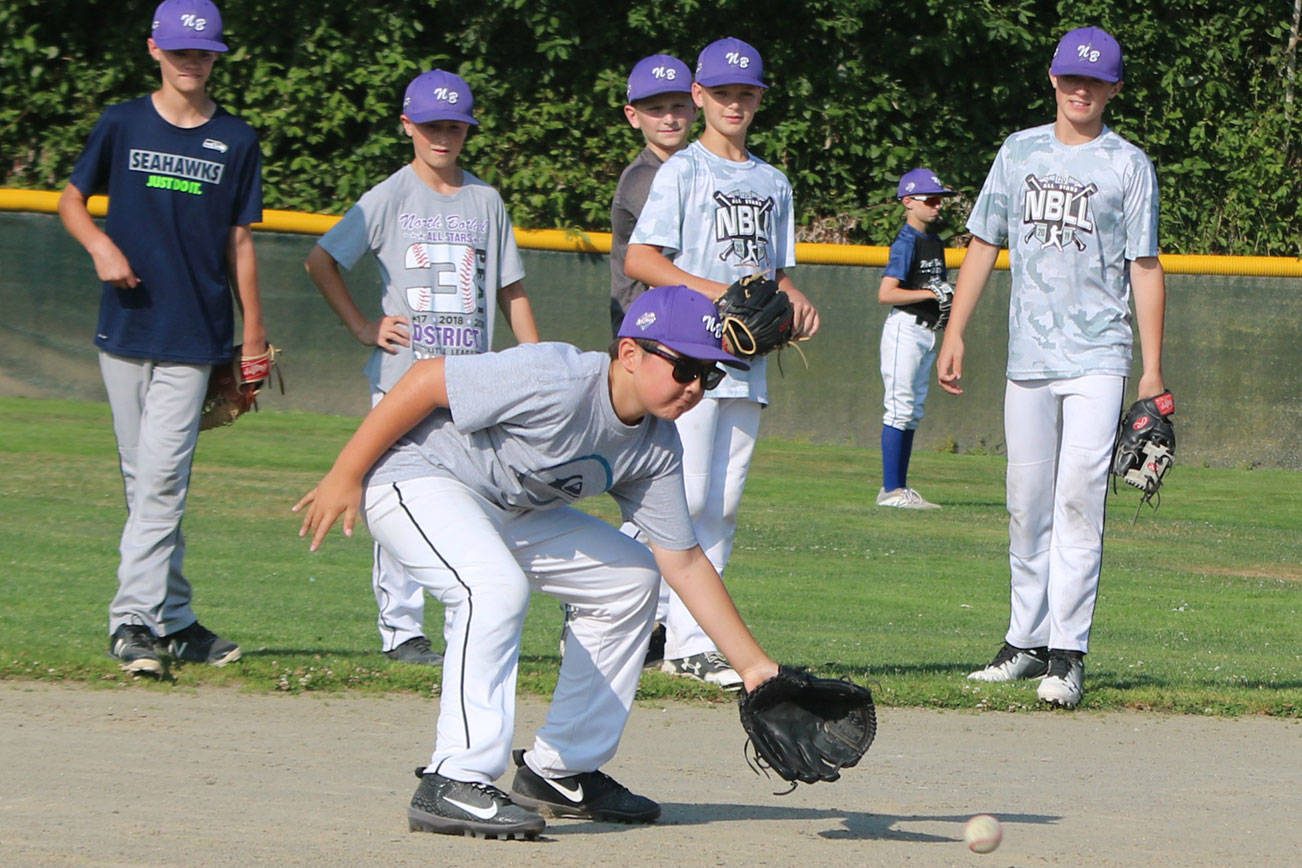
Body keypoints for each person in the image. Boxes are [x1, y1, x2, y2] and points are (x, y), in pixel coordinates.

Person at [294, 284, 782, 839]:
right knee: (493, 589)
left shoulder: (656, 446)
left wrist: (755, 670)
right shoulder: (557, 377)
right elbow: (426, 380)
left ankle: (561, 769)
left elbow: (686, 562)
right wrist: (346, 473)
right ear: (629, 353)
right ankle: (453, 777)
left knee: (631, 576)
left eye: (710, 374)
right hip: (420, 477)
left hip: (509, 507)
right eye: (685, 367)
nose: (696, 386)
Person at [937, 26, 1167, 708]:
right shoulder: (1019, 152)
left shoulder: (1128, 165)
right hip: (1028, 358)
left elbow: (1145, 267)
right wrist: (956, 332)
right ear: (1052, 78)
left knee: (1078, 501)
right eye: (1071, 76)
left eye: (1095, 80)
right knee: (1026, 502)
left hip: (1098, 355)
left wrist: (1152, 371)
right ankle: (1023, 641)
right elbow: (982, 244)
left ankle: (1068, 656)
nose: (1081, 88)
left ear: (1114, 90)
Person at [57, 0, 265, 675]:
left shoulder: (235, 138)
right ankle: (173, 619)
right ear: (154, 50)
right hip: (124, 325)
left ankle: (130, 622)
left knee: (162, 480)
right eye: (180, 50)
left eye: (202, 51)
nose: (191, 61)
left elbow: (240, 241)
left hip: (196, 332)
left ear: (215, 58)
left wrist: (254, 330)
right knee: (142, 482)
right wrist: (98, 246)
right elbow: (69, 198)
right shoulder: (122, 122)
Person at [305, 69, 539, 666]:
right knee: (397, 496)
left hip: (469, 385)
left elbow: (510, 290)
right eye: (431, 124)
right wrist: (362, 326)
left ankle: (468, 611)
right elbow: (322, 260)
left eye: (454, 125)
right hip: (403, 381)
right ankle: (402, 629)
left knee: (471, 499)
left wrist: (535, 362)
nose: (443, 135)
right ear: (407, 125)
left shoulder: (486, 200)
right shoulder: (389, 195)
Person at [624, 37, 819, 689]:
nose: (736, 103)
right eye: (723, 92)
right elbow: (641, 260)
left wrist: (796, 303)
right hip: (690, 358)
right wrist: (719, 292)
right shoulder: (683, 171)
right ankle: (618, 616)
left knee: (722, 502)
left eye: (747, 93)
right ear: (700, 96)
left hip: (750, 363)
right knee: (677, 496)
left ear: (759, 99)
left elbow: (776, 276)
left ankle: (689, 642)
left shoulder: (774, 182)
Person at [874, 168, 960, 510]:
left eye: (941, 200)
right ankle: (891, 489)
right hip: (904, 329)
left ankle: (900, 488)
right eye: (932, 200)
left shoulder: (934, 242)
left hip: (925, 331)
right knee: (899, 408)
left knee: (912, 411)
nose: (938, 207)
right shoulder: (906, 242)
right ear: (908, 201)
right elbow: (886, 293)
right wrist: (928, 292)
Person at [609, 53, 696, 336]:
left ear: (696, 106)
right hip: (645, 332)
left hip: (685, 322)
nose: (669, 118)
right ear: (633, 116)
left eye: (678, 106)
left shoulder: (699, 170)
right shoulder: (642, 177)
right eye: (656, 109)